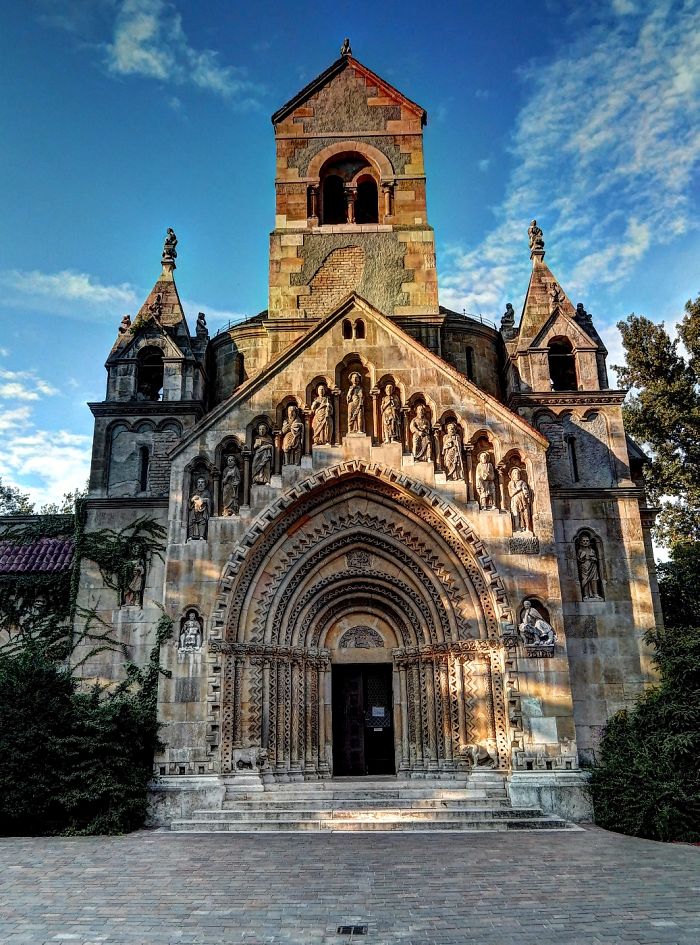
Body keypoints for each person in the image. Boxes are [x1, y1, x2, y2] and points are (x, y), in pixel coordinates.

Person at [577, 533, 602, 599]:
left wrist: (594, 559)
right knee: (585, 580)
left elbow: (596, 558)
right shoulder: (580, 551)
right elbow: (578, 559)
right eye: (584, 541)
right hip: (584, 567)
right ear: (581, 542)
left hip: (593, 566)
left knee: (594, 580)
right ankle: (586, 594)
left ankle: (595, 594)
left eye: (587, 541)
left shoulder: (592, 550)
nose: (585, 542)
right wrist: (582, 557)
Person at [508, 467, 533, 532]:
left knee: (525, 513)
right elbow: (510, 494)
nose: (517, 475)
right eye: (515, 473)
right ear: (512, 475)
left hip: (523, 499)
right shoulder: (510, 483)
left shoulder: (522, 482)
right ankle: (517, 527)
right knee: (516, 513)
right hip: (514, 499)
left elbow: (526, 491)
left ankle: (527, 527)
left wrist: (526, 496)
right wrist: (517, 489)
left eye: (518, 473)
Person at [188, 476, 211, 540]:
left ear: (205, 484)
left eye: (202, 482)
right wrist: (192, 499)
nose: (200, 484)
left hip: (202, 510)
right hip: (194, 510)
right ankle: (191, 536)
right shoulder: (194, 492)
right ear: (197, 484)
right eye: (199, 482)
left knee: (202, 522)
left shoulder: (206, 492)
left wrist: (203, 500)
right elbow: (190, 501)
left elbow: (209, 501)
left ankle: (201, 536)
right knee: (191, 522)